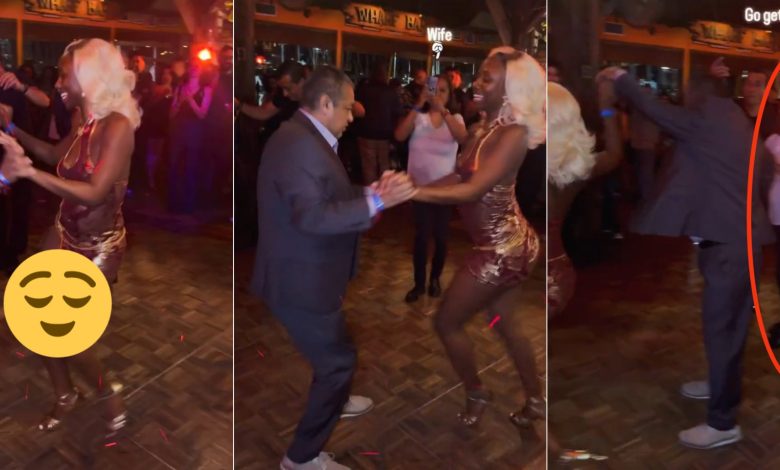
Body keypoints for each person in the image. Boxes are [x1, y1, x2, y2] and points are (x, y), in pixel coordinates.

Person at [597, 63, 774, 449]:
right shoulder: (737, 124)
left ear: (698, 94)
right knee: (727, 329)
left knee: (722, 330)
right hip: (733, 244)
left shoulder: (706, 119)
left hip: (729, 248)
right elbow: (763, 173)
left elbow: (654, 108)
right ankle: (718, 384)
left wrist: (620, 78)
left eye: (688, 93)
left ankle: (723, 423)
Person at [251, 65, 415, 470]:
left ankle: (336, 396)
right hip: (300, 282)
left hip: (312, 276)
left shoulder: (306, 136)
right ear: (325, 103)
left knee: (337, 352)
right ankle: (301, 458)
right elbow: (312, 216)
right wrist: (378, 202)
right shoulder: (299, 144)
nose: (351, 116)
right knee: (338, 364)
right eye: (346, 108)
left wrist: (370, 192)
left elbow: (329, 195)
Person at [0, 37, 138, 441]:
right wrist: (10, 128)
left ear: (88, 76)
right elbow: (51, 154)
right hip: (63, 232)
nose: (58, 82)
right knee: (30, 316)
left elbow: (94, 192)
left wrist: (28, 174)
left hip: (98, 248)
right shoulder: (84, 120)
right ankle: (65, 394)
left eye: (64, 74)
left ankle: (107, 391)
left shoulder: (118, 127)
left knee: (71, 336)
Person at [409, 48, 546, 429]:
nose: (476, 83)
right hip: (505, 244)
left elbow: (473, 190)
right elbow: (459, 177)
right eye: (480, 75)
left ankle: (477, 393)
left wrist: (413, 193)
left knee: (447, 323)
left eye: (487, 77)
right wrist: (413, 186)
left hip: (502, 250)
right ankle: (536, 400)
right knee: (504, 322)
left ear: (512, 88)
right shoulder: (482, 129)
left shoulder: (513, 134)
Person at [547, 81, 623, 317]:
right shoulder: (576, 167)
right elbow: (614, 154)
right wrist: (606, 107)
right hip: (556, 267)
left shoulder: (529, 160)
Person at [394, 74, 467, 302]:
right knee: (422, 236)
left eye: (443, 90)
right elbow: (399, 135)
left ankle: (435, 278)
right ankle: (418, 283)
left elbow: (463, 138)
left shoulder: (455, 118)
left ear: (450, 94)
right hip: (420, 189)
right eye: (434, 89)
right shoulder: (419, 116)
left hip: (444, 189)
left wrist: (443, 111)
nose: (438, 94)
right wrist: (419, 103)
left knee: (441, 237)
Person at [168, 63, 214, 213]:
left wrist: (191, 100)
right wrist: (180, 102)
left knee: (191, 166)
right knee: (174, 165)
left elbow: (202, 114)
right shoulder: (180, 88)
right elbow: (171, 114)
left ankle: (189, 204)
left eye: (197, 67)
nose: (194, 69)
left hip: (194, 130)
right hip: (179, 129)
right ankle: (173, 203)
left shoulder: (206, 89)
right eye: (192, 66)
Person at [355, 62, 403, 184]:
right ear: (385, 75)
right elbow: (398, 113)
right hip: (385, 134)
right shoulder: (391, 92)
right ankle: (384, 192)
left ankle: (371, 191)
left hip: (366, 132)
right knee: (384, 166)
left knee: (368, 166)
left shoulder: (363, 90)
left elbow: (357, 110)